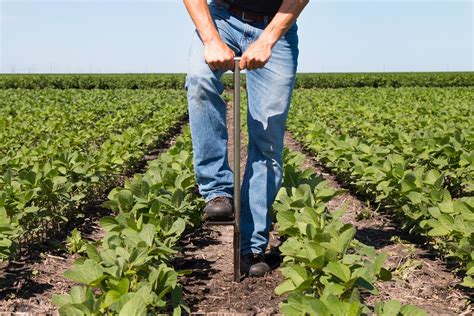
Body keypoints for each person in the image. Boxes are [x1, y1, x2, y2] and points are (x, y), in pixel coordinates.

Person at [183, 0, 308, 278]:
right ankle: (217, 191)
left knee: (268, 137)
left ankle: (251, 246)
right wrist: (211, 38)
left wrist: (268, 39)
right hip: (222, 18)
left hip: (277, 23)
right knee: (200, 79)